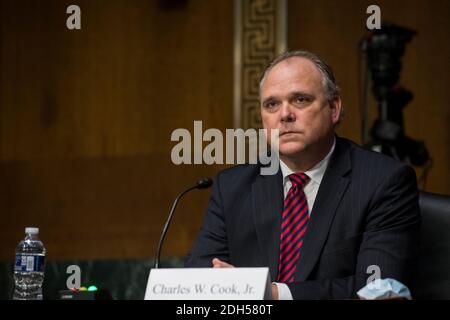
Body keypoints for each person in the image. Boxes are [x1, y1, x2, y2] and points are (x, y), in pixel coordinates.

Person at [185, 50, 421, 299]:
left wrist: (272, 294)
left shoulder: (384, 181)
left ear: (334, 108)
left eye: (300, 99)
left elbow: (378, 289)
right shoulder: (232, 186)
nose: (284, 115)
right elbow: (200, 280)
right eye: (272, 104)